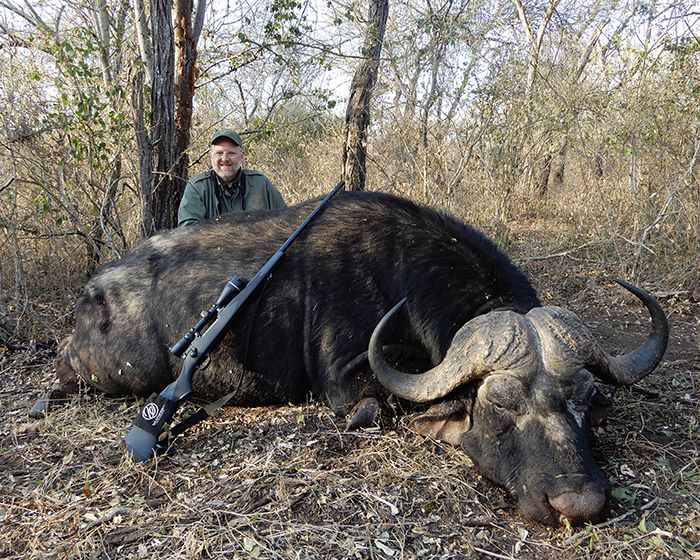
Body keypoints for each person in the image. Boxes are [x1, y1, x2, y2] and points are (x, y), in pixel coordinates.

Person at [177, 129, 286, 227]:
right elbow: (188, 232)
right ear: (211, 155)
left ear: (242, 156)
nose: (224, 159)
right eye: (219, 153)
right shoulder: (197, 187)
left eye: (231, 153)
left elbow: (285, 220)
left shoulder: (260, 183)